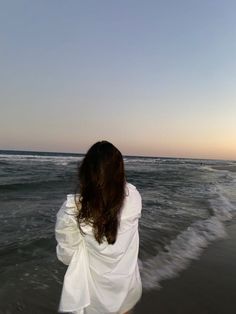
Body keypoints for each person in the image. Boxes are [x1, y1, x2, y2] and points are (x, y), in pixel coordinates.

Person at [55, 141, 142, 314]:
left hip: (94, 298)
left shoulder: (73, 210)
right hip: (126, 287)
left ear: (86, 171)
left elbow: (67, 257)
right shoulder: (134, 197)